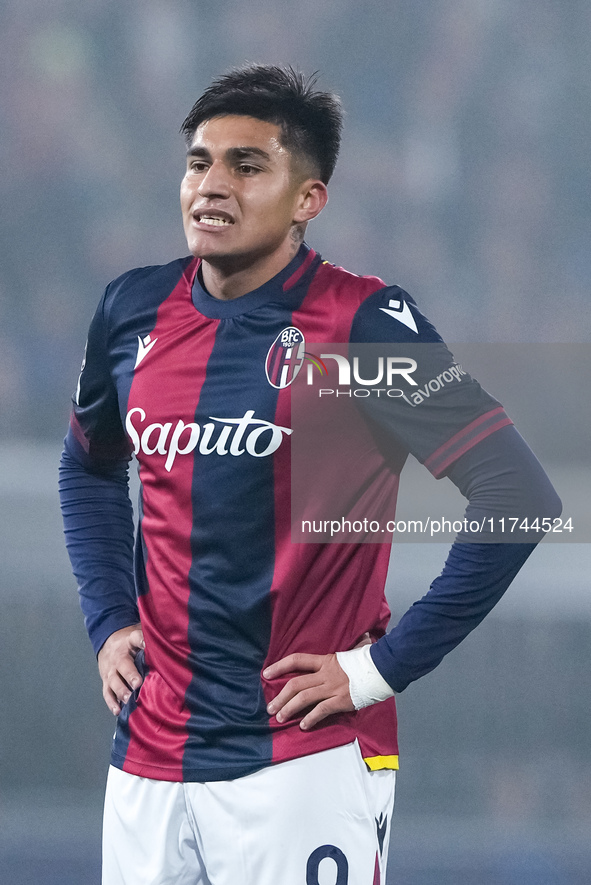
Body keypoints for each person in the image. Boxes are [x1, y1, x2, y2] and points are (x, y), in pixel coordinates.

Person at [59, 64, 561, 885]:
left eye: (246, 165)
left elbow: (516, 494)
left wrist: (377, 669)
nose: (211, 186)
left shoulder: (362, 325)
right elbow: (87, 470)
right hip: (148, 756)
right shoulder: (132, 310)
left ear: (307, 199)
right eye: (198, 162)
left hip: (303, 757)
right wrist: (110, 617)